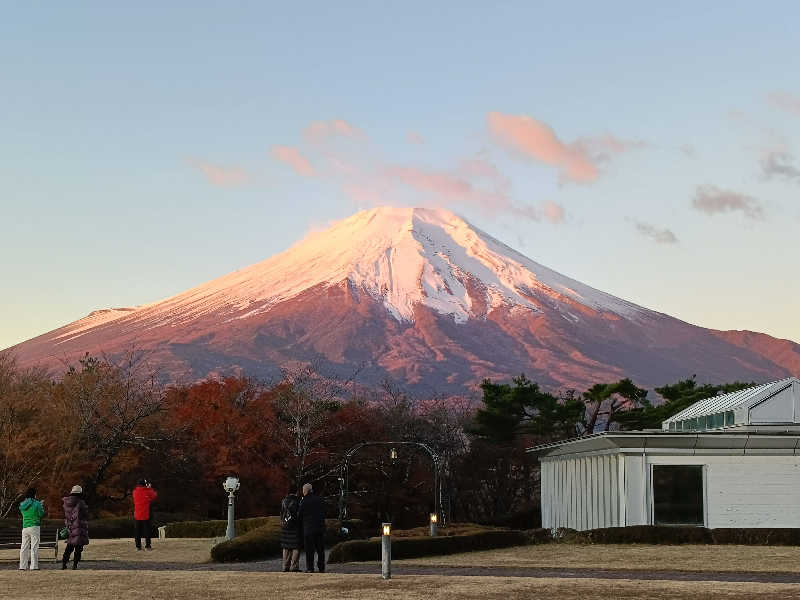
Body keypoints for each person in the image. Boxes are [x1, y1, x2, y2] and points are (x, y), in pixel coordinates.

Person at [297, 482, 325, 573]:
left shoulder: (304, 501)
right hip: (320, 528)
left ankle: (310, 568)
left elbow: (299, 515)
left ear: (305, 491)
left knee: (309, 550)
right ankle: (321, 567)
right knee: (320, 549)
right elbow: (325, 512)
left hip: (308, 529)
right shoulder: (320, 499)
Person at [62, 485, 89, 570]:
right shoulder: (81, 502)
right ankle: (75, 565)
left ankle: (64, 563)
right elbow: (85, 513)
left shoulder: (66, 503)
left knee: (69, 547)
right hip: (79, 527)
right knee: (78, 548)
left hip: (70, 527)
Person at [18, 487, 45, 571]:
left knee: (24, 547)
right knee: (34, 547)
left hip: (25, 527)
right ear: (34, 494)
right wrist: (41, 505)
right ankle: (34, 566)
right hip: (34, 526)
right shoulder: (37, 503)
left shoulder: (23, 504)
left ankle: (22, 566)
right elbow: (41, 514)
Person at [279, 488, 301, 572]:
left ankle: (285, 566)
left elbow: (281, 513)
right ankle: (294, 566)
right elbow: (299, 514)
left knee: (286, 547)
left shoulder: (283, 501)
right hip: (295, 527)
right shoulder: (298, 501)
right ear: (296, 492)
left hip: (285, 527)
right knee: (296, 547)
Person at [132, 479, 158, 551]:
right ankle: (148, 546)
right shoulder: (148, 491)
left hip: (137, 514)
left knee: (137, 532)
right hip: (146, 514)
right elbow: (154, 495)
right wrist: (149, 488)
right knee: (147, 531)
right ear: (145, 484)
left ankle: (138, 547)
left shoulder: (134, 492)